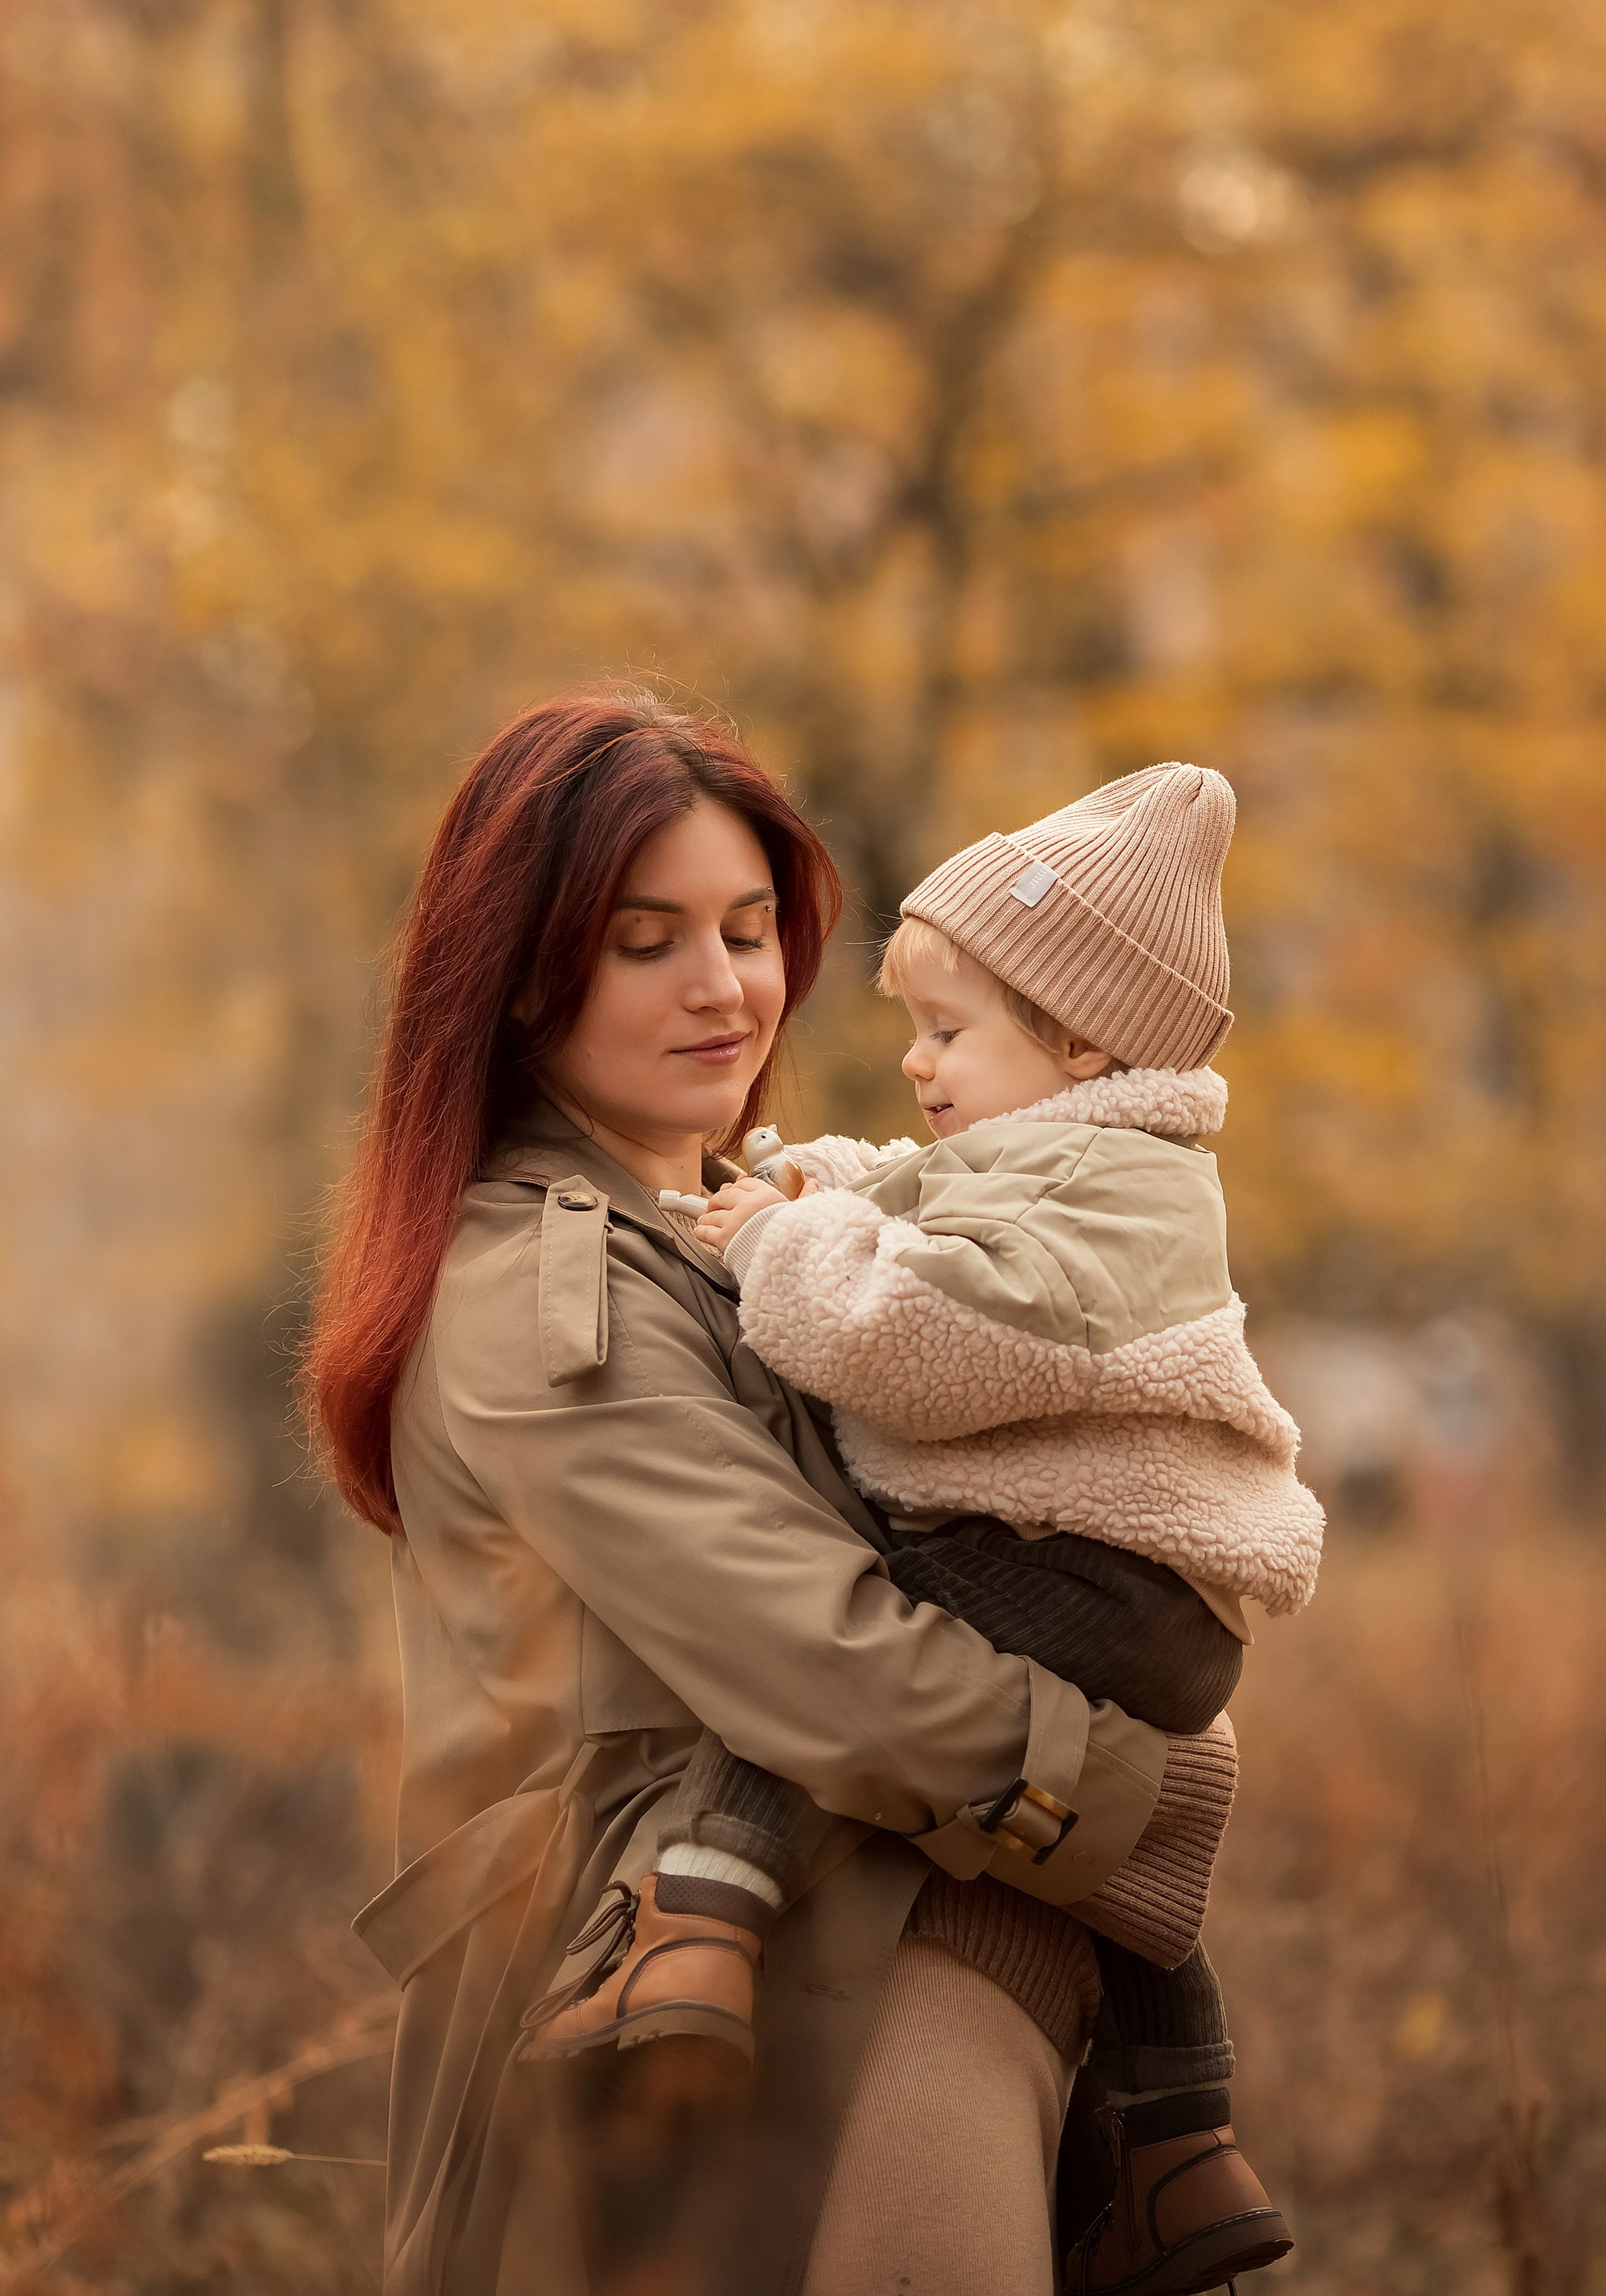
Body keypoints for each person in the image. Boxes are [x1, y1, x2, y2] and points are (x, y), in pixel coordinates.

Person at [305, 694, 1248, 2296]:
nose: (722, 988)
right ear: (523, 972)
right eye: (644, 939)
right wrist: (1132, 1790)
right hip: (682, 2090)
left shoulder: (752, 1234)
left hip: (866, 1985)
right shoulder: (543, 1304)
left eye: (748, 931)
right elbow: (821, 1653)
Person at [523, 762, 1321, 2295]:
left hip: (1083, 1568)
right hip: (1142, 1597)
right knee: (1135, 1880)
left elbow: (924, 1335)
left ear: (1082, 1043)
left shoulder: (1109, 1190)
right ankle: (1180, 2141)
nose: (915, 1065)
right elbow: (929, 1187)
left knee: (851, 1605)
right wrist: (810, 1180)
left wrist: (779, 1246)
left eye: (951, 1033)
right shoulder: (1088, 1157)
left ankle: (699, 1910)